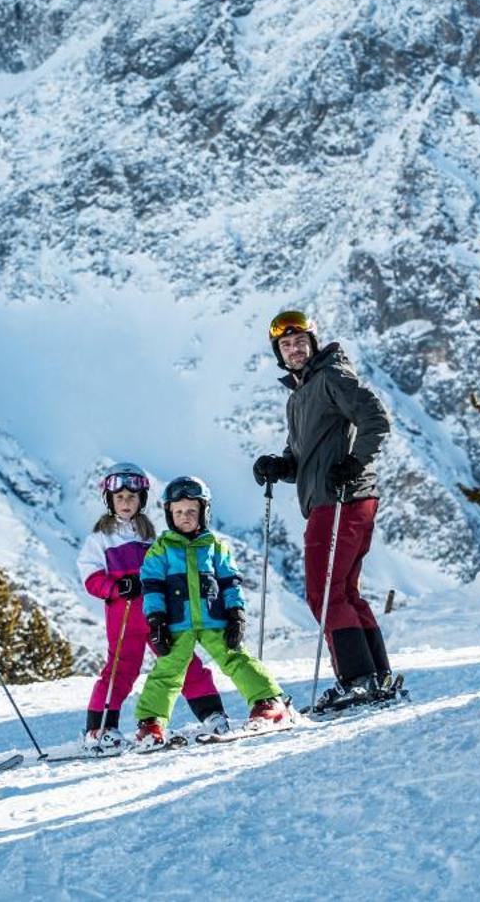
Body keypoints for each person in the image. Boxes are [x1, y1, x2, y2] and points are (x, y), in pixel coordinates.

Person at [252, 309, 397, 711]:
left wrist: (354, 464)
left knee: (324, 592)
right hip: (337, 499)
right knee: (344, 591)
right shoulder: (301, 394)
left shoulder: (332, 377)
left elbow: (375, 419)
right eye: (286, 345)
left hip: (342, 498)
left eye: (300, 341)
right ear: (278, 353)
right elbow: (303, 457)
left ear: (313, 343)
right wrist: (280, 466)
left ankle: (357, 680)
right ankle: (376, 677)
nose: (295, 349)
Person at [75, 462, 229, 750]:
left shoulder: (151, 537)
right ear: (109, 500)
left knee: (182, 662)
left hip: (158, 615)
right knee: (120, 671)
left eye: (131, 497)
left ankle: (211, 713)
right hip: (125, 618)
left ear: (141, 500)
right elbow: (90, 576)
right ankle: (99, 728)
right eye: (119, 497)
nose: (125, 503)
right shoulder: (100, 539)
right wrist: (116, 587)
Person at [133, 476, 289, 747]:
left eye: (191, 511)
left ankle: (268, 701)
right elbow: (152, 586)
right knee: (168, 670)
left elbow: (230, 582)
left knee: (235, 658)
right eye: (178, 511)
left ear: (203, 512)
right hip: (177, 623)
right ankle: (151, 723)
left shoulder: (215, 546)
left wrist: (236, 612)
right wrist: (156, 619)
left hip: (213, 619)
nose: (185, 516)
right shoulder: (161, 549)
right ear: (169, 514)